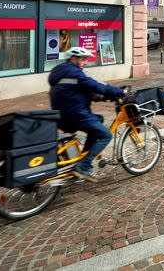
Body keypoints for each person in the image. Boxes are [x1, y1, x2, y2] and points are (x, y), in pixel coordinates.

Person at [48, 47, 125, 182]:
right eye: (83, 59)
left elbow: (80, 90)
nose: (85, 62)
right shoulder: (75, 73)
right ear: (73, 58)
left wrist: (99, 97)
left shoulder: (61, 71)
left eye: (86, 59)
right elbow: (95, 86)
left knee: (99, 119)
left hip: (62, 115)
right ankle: (83, 166)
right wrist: (119, 91)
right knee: (105, 135)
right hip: (76, 115)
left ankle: (84, 155)